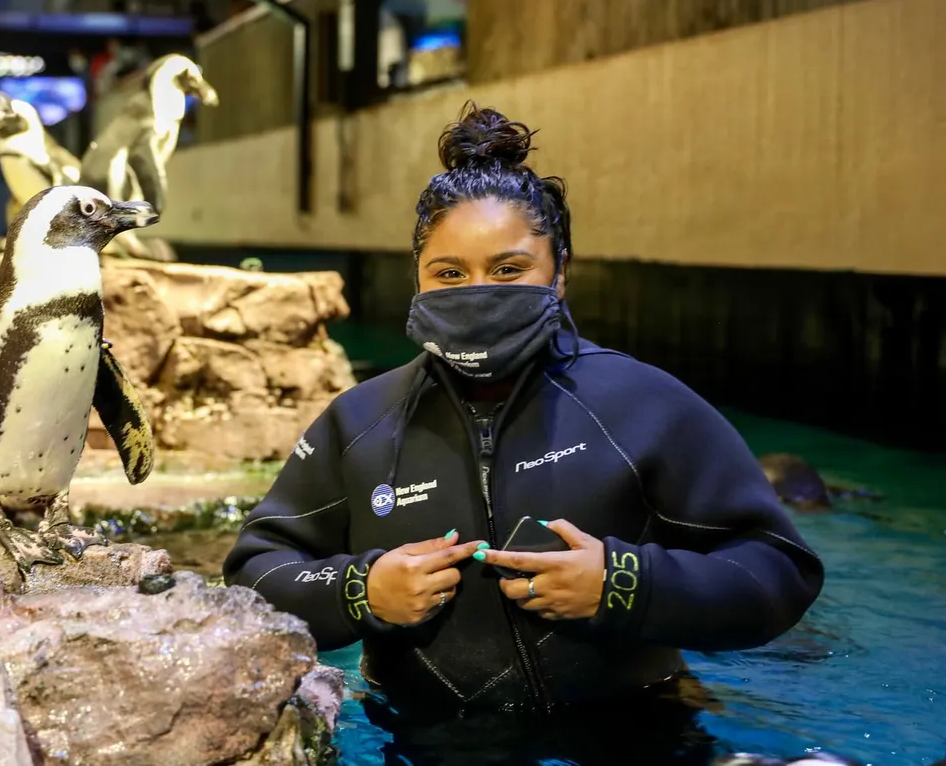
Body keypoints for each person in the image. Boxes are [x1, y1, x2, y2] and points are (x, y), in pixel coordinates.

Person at [223, 102, 825, 762]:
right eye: (450, 274)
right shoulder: (361, 422)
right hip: (420, 735)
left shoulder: (643, 404)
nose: (478, 291)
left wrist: (626, 584)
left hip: (639, 730)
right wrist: (360, 590)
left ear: (559, 271)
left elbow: (779, 570)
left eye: (509, 270)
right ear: (417, 279)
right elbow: (254, 574)